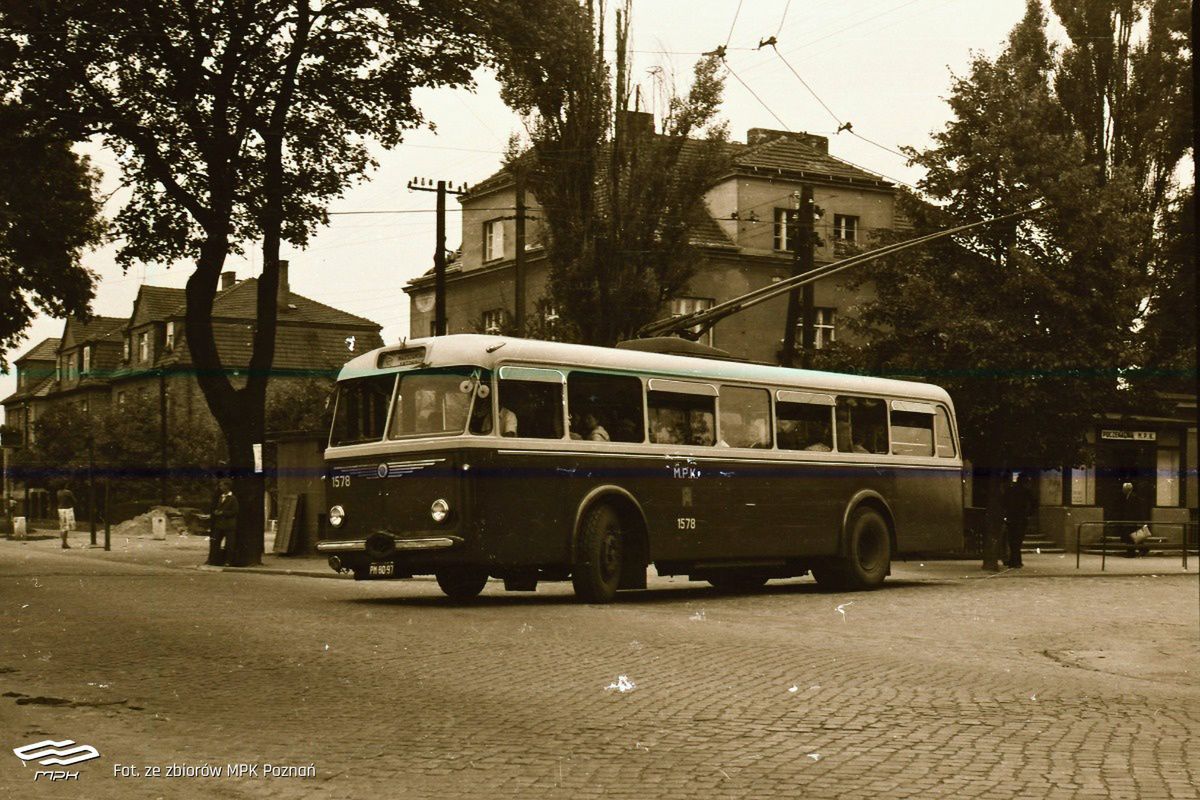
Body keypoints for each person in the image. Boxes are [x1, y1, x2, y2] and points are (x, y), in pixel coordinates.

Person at [1002, 473, 1035, 568]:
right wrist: (1029, 514)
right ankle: (1016, 561)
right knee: (1017, 540)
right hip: (1021, 518)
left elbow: (1004, 502)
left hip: (1011, 518)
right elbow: (1033, 503)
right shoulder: (1026, 491)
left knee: (1012, 540)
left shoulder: (1011, 490)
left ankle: (1015, 560)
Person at [209, 479, 238, 566]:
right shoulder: (221, 497)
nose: (220, 487)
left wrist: (223, 513)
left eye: (222, 486)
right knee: (215, 542)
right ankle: (214, 560)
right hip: (220, 524)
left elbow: (235, 511)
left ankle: (228, 561)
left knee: (229, 544)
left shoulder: (233, 498)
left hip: (229, 524)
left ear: (227, 486)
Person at [1114, 481, 1144, 557]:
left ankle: (1131, 553)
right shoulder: (1128, 496)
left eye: (1123, 489)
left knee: (1131, 537)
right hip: (1129, 520)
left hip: (1132, 520)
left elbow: (1136, 510)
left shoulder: (1133, 497)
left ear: (1127, 489)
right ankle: (1141, 549)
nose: (1122, 490)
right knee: (1133, 536)